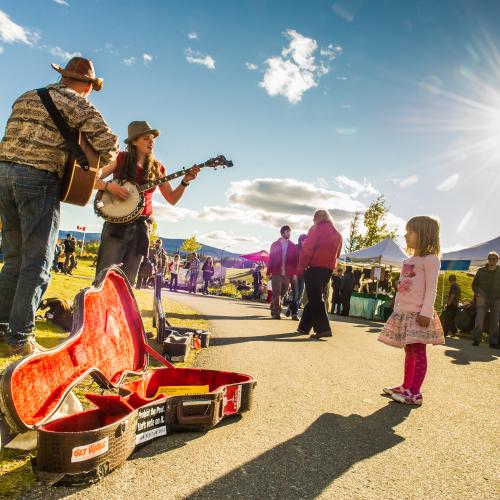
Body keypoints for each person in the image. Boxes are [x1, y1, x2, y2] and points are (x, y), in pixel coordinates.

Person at [0, 57, 118, 355]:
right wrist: (88, 164)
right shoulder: (79, 105)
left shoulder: (26, 96)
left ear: (63, 76)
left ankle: (2, 327)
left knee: (13, 257)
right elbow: (110, 146)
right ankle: (20, 337)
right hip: (37, 179)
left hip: (3, 174)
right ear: (88, 86)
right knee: (37, 262)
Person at [95, 121, 200, 286]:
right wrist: (110, 187)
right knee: (104, 276)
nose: (151, 142)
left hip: (141, 227)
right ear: (134, 141)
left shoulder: (158, 168)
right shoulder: (120, 158)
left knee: (127, 281)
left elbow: (172, 199)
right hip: (116, 226)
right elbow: (94, 179)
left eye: (153, 138)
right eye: (146, 138)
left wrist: (185, 182)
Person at [378, 216, 444, 405]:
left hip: (418, 314)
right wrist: (397, 306)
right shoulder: (408, 261)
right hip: (404, 312)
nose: (405, 235)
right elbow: (403, 286)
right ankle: (406, 386)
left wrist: (426, 312)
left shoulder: (430, 260)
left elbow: (431, 288)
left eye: (410, 231)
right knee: (409, 350)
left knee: (418, 350)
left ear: (424, 234)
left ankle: (415, 393)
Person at [297, 210, 343, 339]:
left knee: (315, 298)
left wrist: (303, 264)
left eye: (314, 218)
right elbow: (338, 254)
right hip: (328, 269)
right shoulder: (337, 233)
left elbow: (307, 248)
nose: (313, 221)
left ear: (318, 218)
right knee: (315, 296)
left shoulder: (316, 229)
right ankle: (304, 327)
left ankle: (323, 328)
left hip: (314, 266)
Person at [267, 225, 298, 319]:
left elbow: (295, 261)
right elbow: (271, 258)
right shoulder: (275, 244)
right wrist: (269, 271)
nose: (289, 234)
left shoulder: (293, 246)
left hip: (287, 274)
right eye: (287, 232)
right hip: (276, 272)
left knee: (283, 293)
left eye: (289, 232)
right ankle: (276, 312)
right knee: (277, 293)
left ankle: (273, 306)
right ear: (282, 233)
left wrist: (294, 273)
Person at [471, 251, 500, 348]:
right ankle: (476, 339)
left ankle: (493, 342)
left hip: (497, 299)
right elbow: (474, 284)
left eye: (494, 259)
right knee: (479, 319)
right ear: (488, 259)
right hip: (482, 298)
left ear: (497, 260)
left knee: (495, 321)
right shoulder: (481, 270)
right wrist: (478, 293)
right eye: (490, 258)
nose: (492, 260)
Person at [286, 234, 307, 320]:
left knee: (300, 295)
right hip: (294, 274)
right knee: (296, 294)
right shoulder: (295, 248)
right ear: (300, 240)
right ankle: (294, 314)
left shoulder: (307, 250)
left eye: (306, 240)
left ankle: (290, 308)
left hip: (303, 275)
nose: (305, 242)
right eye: (303, 240)